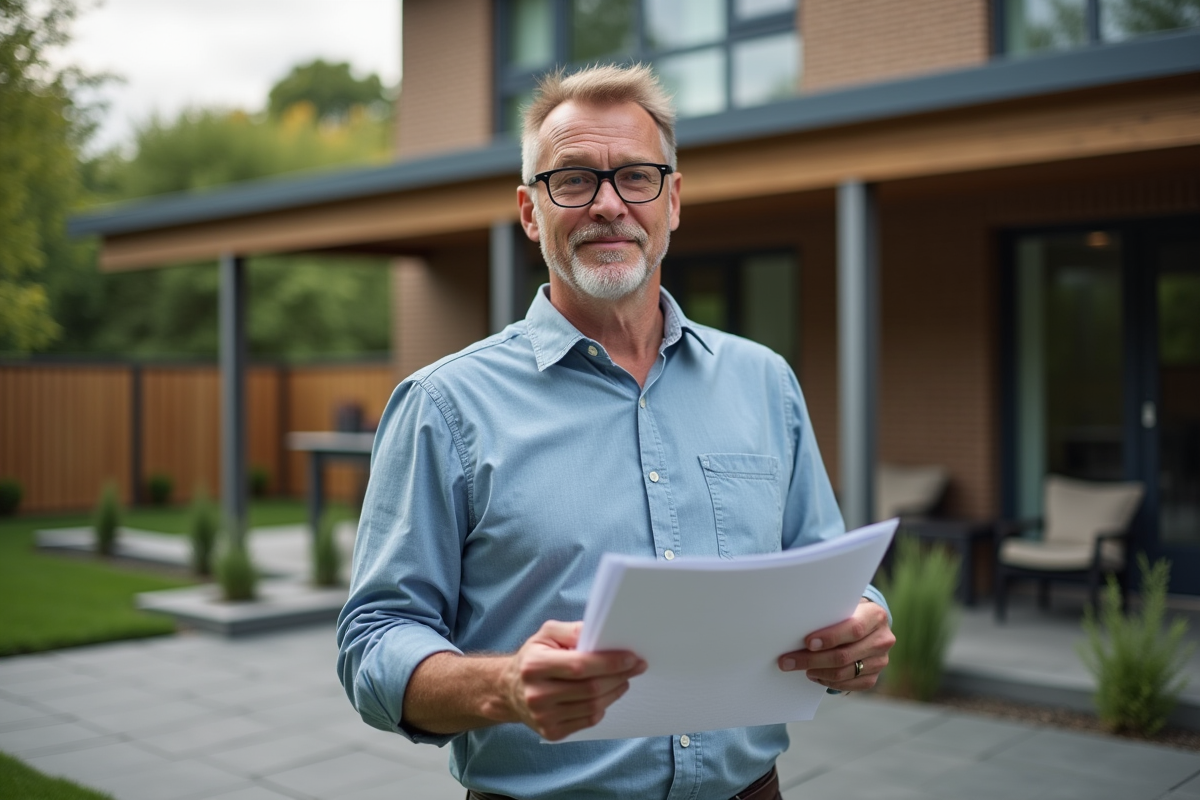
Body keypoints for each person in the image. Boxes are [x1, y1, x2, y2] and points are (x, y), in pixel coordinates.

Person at [337, 63, 895, 800]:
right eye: (572, 180)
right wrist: (502, 686)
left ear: (673, 200)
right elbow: (375, 638)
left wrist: (861, 626)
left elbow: (830, 576)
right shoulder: (446, 406)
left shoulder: (764, 381)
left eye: (636, 176)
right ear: (531, 212)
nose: (609, 205)